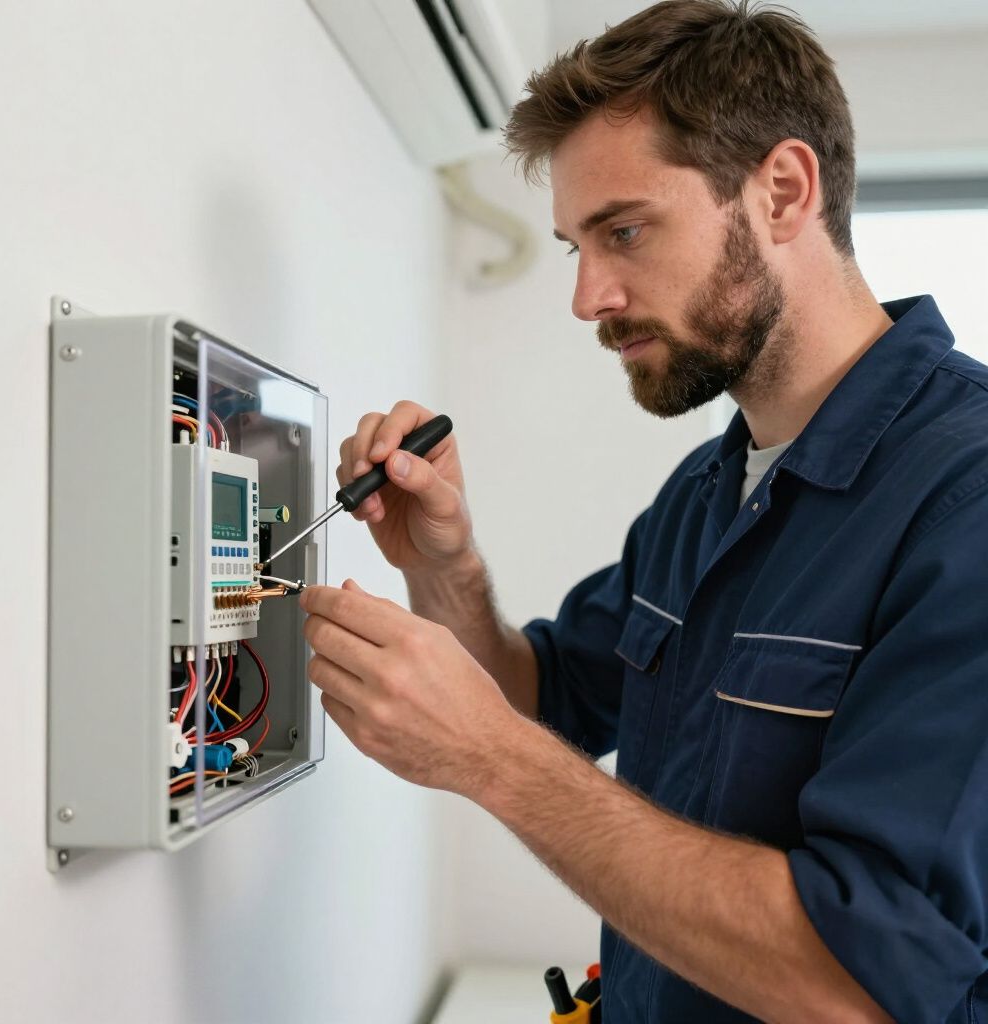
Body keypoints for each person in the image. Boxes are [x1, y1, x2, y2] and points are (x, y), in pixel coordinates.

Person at [299, 1, 988, 1020]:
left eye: (622, 230)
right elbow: (543, 699)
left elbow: (862, 982)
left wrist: (493, 764)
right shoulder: (708, 493)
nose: (586, 296)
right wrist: (443, 566)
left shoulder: (962, 500)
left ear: (784, 191)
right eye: (576, 243)